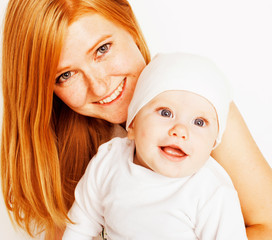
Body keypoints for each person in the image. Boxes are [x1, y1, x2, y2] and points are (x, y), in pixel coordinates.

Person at [1, 0, 272, 239]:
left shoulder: (197, 104)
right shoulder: (69, 146)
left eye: (102, 49)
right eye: (66, 75)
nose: (98, 86)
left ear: (128, 23)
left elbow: (268, 226)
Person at [62, 52, 248, 240]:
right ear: (133, 124)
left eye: (199, 122)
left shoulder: (212, 192)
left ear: (213, 143)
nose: (180, 130)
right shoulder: (108, 160)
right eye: (166, 113)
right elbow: (81, 224)